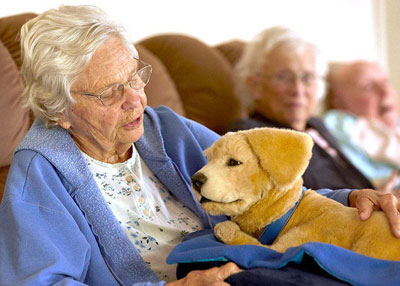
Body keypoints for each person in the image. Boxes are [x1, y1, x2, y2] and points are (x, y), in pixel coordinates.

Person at [0, 6, 399, 286]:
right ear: (60, 111)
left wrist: (349, 198)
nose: (137, 99)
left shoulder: (166, 128)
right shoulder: (41, 171)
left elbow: (266, 193)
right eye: (111, 92)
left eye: (135, 76)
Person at [228, 26, 376, 191]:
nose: (298, 90)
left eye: (307, 77)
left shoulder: (315, 125)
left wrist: (381, 194)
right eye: (283, 77)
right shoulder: (252, 135)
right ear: (254, 84)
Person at [324, 60, 400, 188]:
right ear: (339, 102)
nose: (385, 91)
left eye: (386, 82)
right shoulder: (343, 125)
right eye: (369, 87)